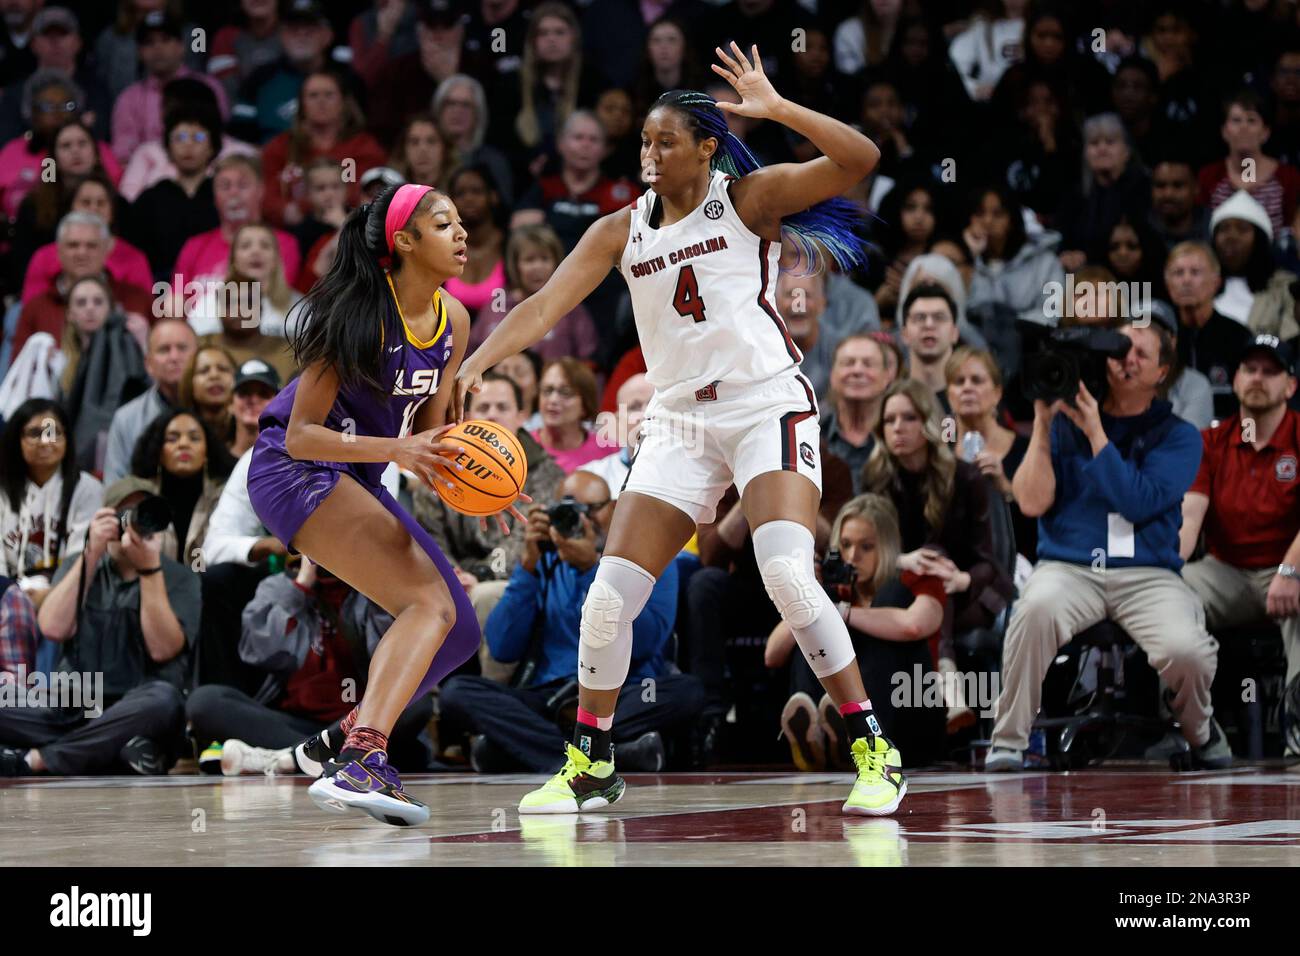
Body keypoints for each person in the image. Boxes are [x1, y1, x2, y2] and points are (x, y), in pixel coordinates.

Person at [457, 46, 906, 816]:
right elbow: (539, 309)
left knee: (789, 575)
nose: (650, 155)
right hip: (679, 420)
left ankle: (873, 748)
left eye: (666, 142)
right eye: (643, 143)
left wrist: (777, 108)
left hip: (766, 403)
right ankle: (591, 762)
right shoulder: (619, 231)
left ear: (705, 146)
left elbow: (859, 156)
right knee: (606, 600)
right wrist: (473, 364)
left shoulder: (749, 199)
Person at [245, 182, 526, 826]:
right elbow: (302, 433)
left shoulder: (453, 320)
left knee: (458, 629)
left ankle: (340, 740)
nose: (461, 234)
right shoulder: (355, 316)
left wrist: (487, 490)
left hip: (360, 475)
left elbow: (431, 437)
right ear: (403, 242)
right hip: (295, 468)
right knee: (426, 602)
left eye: (462, 223)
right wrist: (397, 451)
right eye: (444, 224)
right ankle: (364, 760)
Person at [985, 320, 1229, 771]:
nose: (1127, 359)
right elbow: (1032, 503)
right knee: (1034, 609)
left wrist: (1097, 433)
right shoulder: (1062, 422)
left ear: (1163, 373)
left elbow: (1138, 503)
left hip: (1149, 573)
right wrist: (1042, 424)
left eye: (1141, 353)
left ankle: (1199, 728)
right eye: (1121, 349)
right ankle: (1009, 741)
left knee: (1187, 650)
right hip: (1069, 567)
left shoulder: (1179, 436)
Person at [440, 470, 703, 772]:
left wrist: (592, 569)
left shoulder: (650, 559)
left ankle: (530, 749)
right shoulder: (544, 559)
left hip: (621, 693)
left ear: (614, 509)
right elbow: (502, 647)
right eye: (565, 511)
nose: (581, 520)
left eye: (589, 510)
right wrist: (527, 569)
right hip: (549, 697)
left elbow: (646, 643)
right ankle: (602, 756)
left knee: (686, 691)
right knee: (457, 692)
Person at [0, 477, 198, 777]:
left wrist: (149, 568)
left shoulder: (182, 579)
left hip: (137, 707)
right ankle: (105, 751)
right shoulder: (79, 564)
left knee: (164, 700)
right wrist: (90, 553)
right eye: (123, 514)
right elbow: (52, 627)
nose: (131, 524)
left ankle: (36, 759)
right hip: (73, 705)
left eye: (141, 515)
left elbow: (162, 649)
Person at [768, 493, 946, 770]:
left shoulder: (914, 578)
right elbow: (772, 654)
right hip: (849, 712)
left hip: (912, 712)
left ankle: (861, 738)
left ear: (886, 548)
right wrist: (811, 593)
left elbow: (916, 624)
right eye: (846, 545)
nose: (853, 557)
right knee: (812, 621)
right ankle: (821, 737)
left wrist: (842, 613)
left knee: (882, 605)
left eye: (866, 547)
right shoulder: (834, 586)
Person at [409, 369, 565, 680]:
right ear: (466, 416)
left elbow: (525, 540)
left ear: (521, 416)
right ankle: (419, 706)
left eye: (502, 408)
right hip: (454, 576)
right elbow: (428, 534)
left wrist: (478, 575)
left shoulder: (547, 472)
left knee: (484, 596)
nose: (492, 415)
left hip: (515, 581)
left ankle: (486, 697)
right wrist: (452, 574)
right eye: (483, 408)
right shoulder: (440, 462)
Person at [1180, 334, 1300, 726]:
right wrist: (1162, 572)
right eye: (1250, 369)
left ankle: (1296, 724)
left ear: (1291, 385)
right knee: (1167, 594)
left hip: (1287, 566)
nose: (1258, 378)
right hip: (1224, 569)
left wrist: (1290, 571)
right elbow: (1190, 516)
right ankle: (1187, 726)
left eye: (1270, 371)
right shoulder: (1209, 441)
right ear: (1234, 380)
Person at [0, 400, 103, 608]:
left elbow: (82, 556)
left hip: (68, 595)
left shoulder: (87, 488)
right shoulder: (2, 489)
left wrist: (51, 595)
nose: (46, 441)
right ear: (16, 439)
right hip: (8, 596)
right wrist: (11, 594)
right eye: (35, 433)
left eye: (54, 432)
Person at [945, 346, 1034, 561]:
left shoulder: (1028, 450)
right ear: (949, 395)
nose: (967, 388)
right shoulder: (940, 454)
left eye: (977, 381)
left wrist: (1004, 487)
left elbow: (1039, 520)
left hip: (1019, 563)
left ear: (997, 393)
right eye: (959, 382)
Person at [467, 224, 598, 362]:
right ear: (515, 265)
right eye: (529, 260)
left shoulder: (571, 307)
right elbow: (470, 355)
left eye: (545, 259)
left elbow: (589, 364)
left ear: (557, 263)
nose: (537, 267)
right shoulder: (497, 305)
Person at [128, 410, 236, 567]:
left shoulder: (224, 497)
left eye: (194, 438)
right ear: (158, 451)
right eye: (172, 439)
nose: (183, 444)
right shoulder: (137, 495)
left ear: (207, 452)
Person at [1164, 240, 1253, 420]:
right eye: (1178, 273)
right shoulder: (1159, 338)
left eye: (1195, 272)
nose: (1186, 280)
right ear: (1167, 283)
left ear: (1216, 282)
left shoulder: (1238, 336)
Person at [103, 319, 198, 485]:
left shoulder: (217, 410)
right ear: (148, 364)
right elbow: (115, 491)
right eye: (164, 350)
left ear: (198, 356)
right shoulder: (126, 419)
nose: (174, 357)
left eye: (182, 348)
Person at [822, 334, 895, 493]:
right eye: (848, 363)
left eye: (868, 364)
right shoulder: (813, 436)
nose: (857, 370)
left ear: (887, 376)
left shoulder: (902, 435)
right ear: (832, 374)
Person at [580, 373, 653, 499]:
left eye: (654, 403)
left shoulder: (693, 469)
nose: (647, 414)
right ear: (618, 421)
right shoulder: (590, 477)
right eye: (634, 407)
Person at [530, 357, 607, 473]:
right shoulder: (520, 447)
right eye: (547, 390)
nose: (553, 399)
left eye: (566, 392)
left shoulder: (608, 451)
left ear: (585, 405)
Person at [899, 282, 960, 412]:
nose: (929, 325)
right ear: (904, 334)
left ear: (955, 333)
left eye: (939, 317)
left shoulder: (970, 399)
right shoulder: (891, 400)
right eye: (919, 318)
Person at [178, 346, 236, 449]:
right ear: (190, 383)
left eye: (223, 369)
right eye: (204, 371)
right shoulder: (177, 426)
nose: (214, 375)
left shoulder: (251, 425)